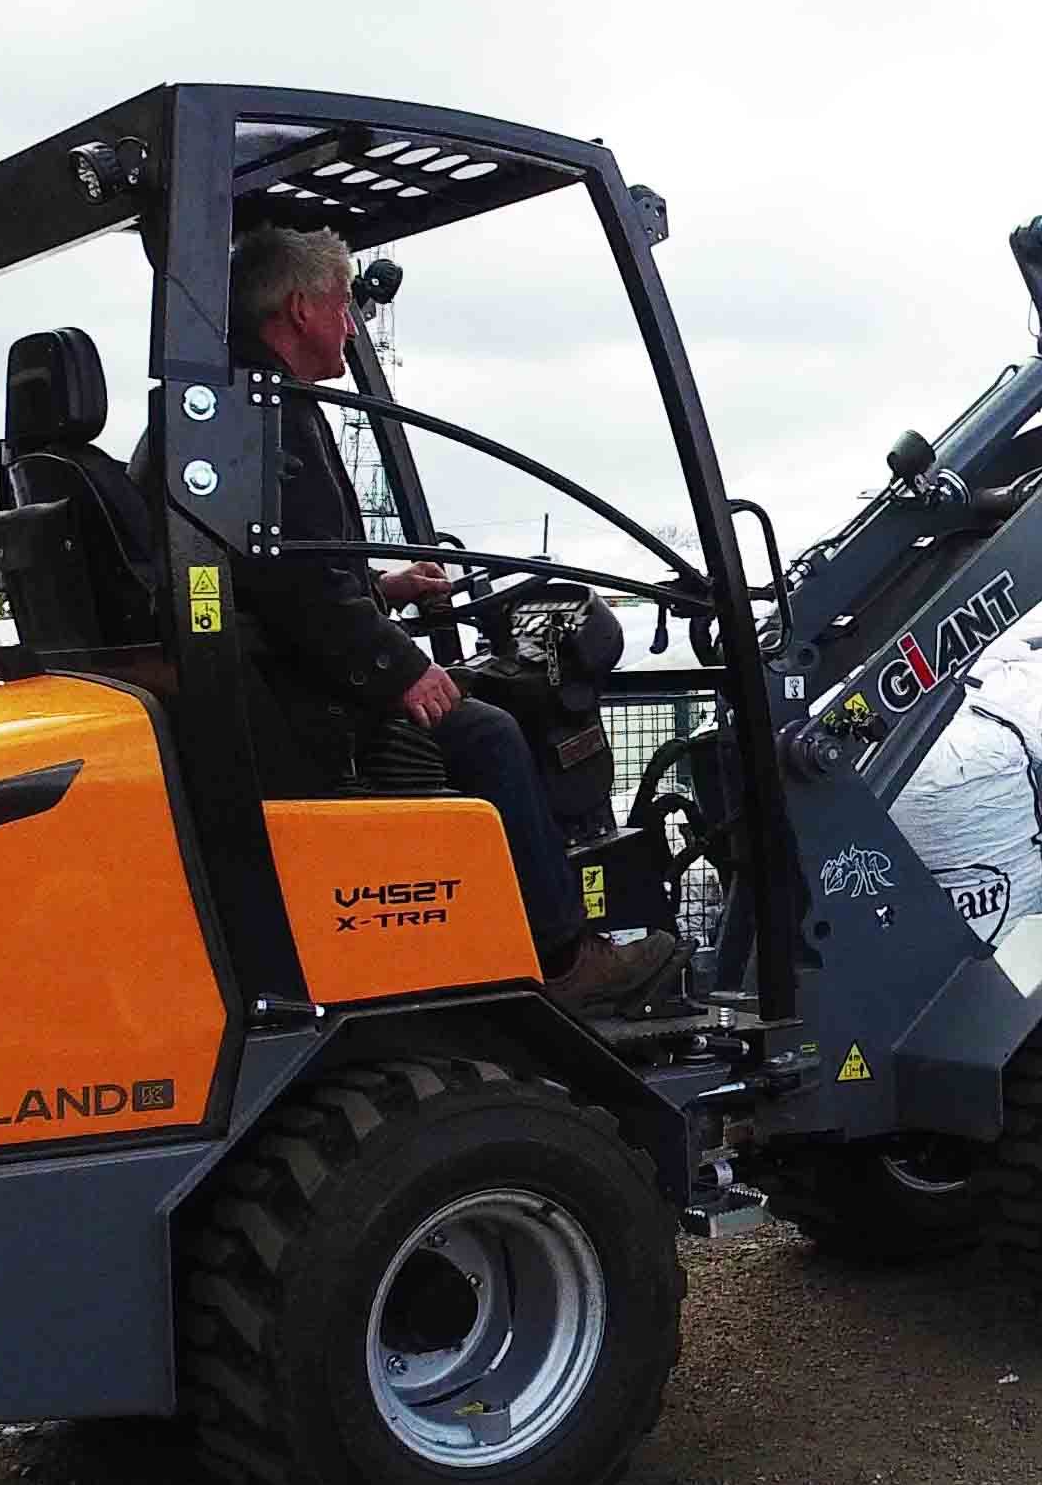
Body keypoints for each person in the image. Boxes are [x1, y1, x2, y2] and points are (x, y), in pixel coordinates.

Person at [193, 222, 680, 1018]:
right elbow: (294, 584)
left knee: (472, 708)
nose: (352, 327)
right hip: (299, 712)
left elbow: (281, 578)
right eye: (345, 306)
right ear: (301, 308)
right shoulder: (264, 416)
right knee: (491, 729)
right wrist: (400, 669)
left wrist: (384, 589)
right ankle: (562, 956)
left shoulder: (222, 416)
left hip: (270, 683)